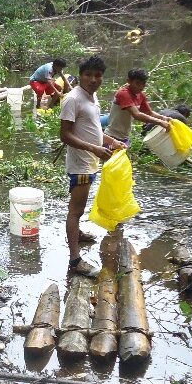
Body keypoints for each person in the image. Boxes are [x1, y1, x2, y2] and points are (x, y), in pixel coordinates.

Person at [59, 56, 127, 278]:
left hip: (90, 161)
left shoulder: (92, 97)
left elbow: (94, 129)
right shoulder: (73, 99)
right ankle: (75, 259)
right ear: (80, 75)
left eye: (98, 75)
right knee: (76, 211)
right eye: (88, 74)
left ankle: (76, 233)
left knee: (79, 207)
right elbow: (65, 135)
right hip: (80, 164)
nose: (93, 79)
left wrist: (109, 141)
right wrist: (95, 149)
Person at [104, 68, 171, 144]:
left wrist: (162, 117)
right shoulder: (123, 94)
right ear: (129, 81)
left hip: (125, 138)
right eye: (137, 83)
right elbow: (136, 115)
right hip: (112, 136)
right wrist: (160, 122)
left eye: (143, 84)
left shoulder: (141, 95)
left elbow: (149, 112)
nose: (141, 87)